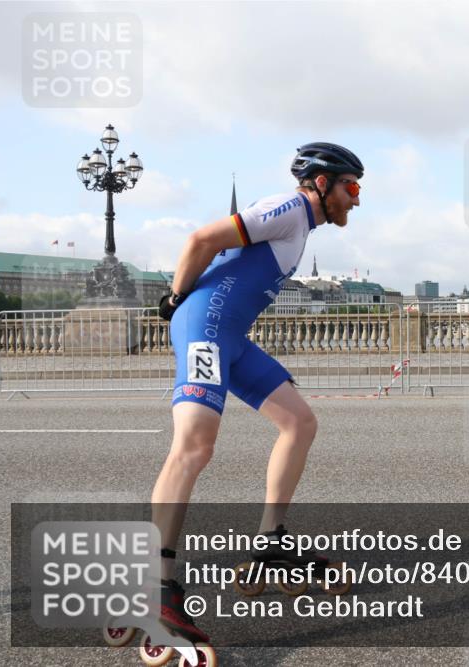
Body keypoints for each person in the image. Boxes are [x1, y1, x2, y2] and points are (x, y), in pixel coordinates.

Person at [150, 143, 363, 643]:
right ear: (320, 183)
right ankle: (154, 581)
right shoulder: (287, 209)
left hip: (230, 337)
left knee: (299, 422)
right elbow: (202, 237)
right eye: (351, 188)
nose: (356, 200)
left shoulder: (303, 227)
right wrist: (176, 299)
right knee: (195, 446)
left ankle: (271, 542)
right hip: (206, 328)